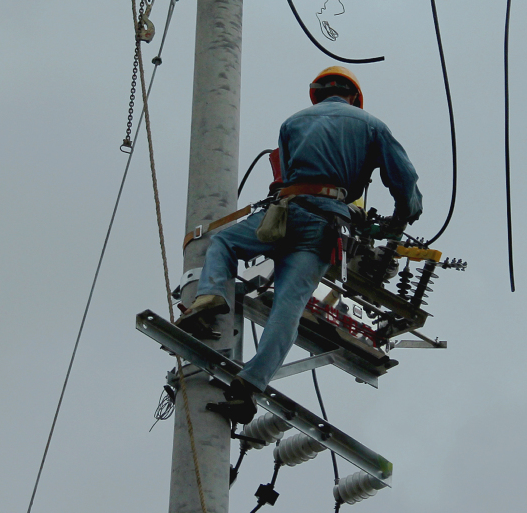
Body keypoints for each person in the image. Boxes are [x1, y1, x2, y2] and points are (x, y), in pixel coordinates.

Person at [177, 66, 423, 422]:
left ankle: (210, 295)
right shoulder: (371, 125)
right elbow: (405, 179)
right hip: (324, 226)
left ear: (317, 93)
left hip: (284, 213)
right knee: (288, 307)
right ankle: (249, 384)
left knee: (224, 243)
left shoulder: (292, 123)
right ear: (354, 97)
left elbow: (287, 176)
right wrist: (403, 216)